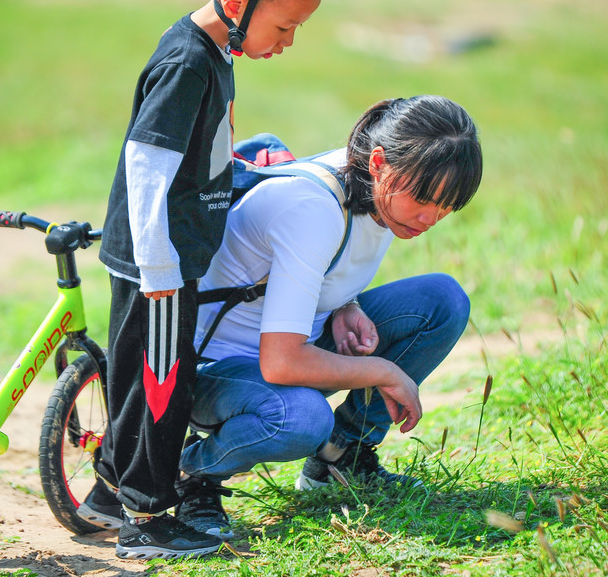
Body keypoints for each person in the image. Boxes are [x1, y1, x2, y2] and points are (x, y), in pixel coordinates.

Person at [78, 0, 361, 560]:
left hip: (171, 255)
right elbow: (146, 168)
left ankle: (105, 495)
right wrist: (159, 272)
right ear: (239, 3)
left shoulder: (216, 55)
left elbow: (194, 156)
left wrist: (238, 167)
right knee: (160, 390)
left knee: (137, 380)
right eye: (285, 27)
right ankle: (146, 521)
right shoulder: (187, 62)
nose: (288, 43)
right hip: (161, 263)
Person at [172, 94, 483, 540]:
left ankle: (341, 457)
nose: (430, 217)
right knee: (301, 419)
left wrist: (345, 305)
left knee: (442, 301)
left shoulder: (378, 187)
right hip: (215, 371)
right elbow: (282, 364)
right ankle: (191, 474)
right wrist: (384, 371)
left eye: (447, 205)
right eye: (424, 199)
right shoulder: (314, 207)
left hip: (286, 347)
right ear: (379, 162)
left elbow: (323, 266)